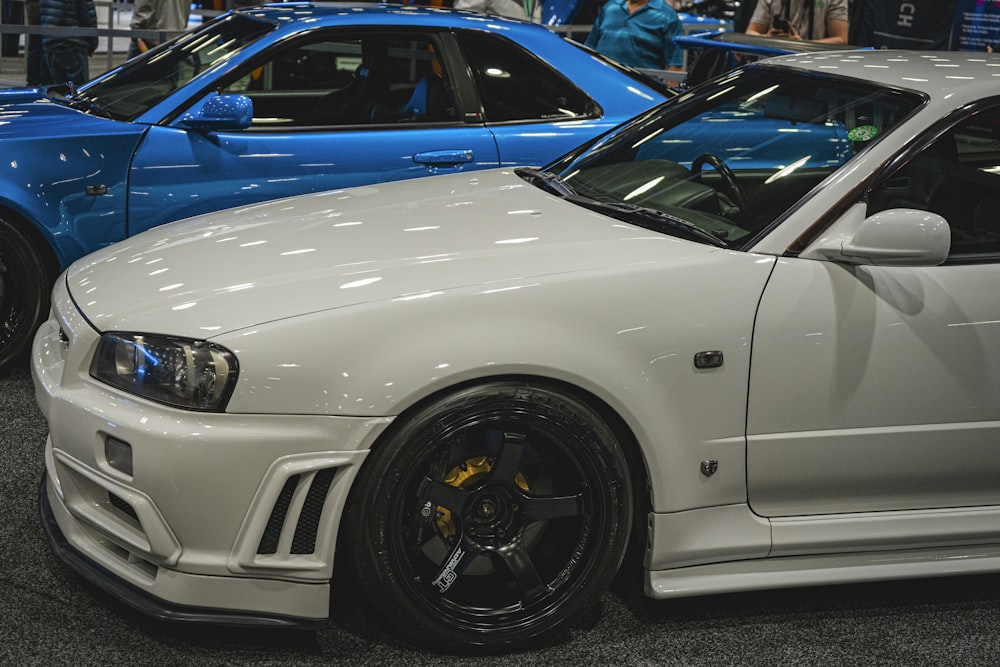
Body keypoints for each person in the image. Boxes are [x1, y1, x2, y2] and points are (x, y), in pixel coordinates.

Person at [584, 0, 684, 73]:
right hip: (600, 78)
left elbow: (674, 64)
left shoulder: (668, 15)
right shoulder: (610, 7)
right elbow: (589, 49)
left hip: (642, 87)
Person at [39, 0, 98, 86]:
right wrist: (93, 44)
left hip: (50, 42)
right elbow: (88, 14)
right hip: (73, 44)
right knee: (78, 92)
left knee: (56, 91)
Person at [745, 0, 849, 44]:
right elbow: (751, 32)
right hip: (771, 64)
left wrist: (800, 45)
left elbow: (841, 39)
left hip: (811, 68)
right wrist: (767, 39)